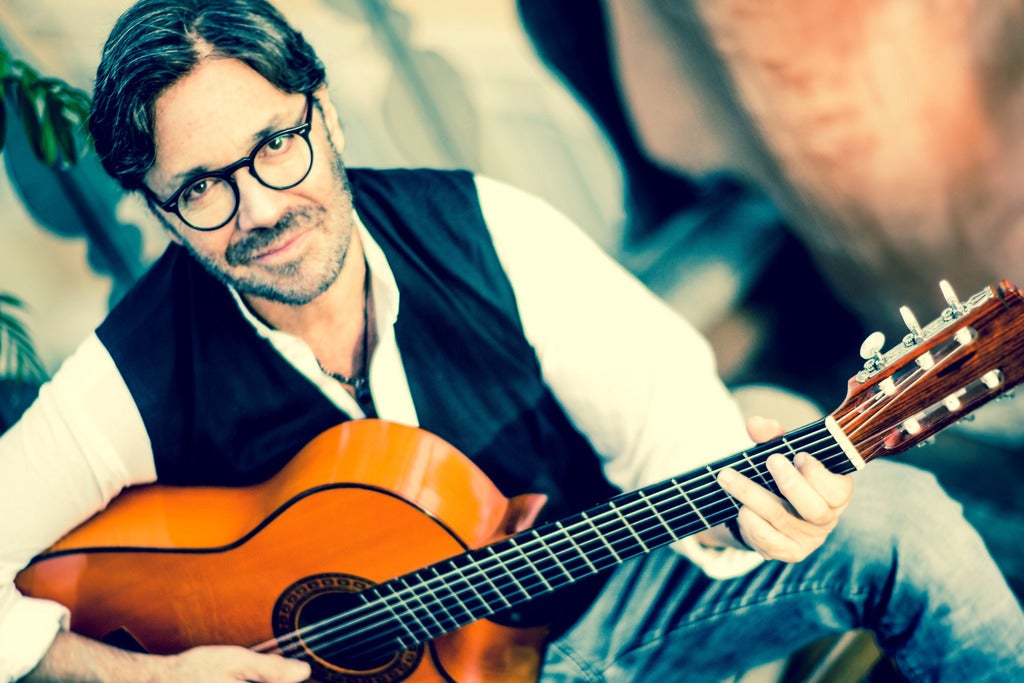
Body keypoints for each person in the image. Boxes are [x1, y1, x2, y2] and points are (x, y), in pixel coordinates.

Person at [0, 1, 1021, 681]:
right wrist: (138, 675)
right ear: (163, 212)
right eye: (201, 188)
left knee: (902, 521)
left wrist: (755, 521)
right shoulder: (131, 374)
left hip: (596, 619)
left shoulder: (491, 232)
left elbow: (677, 440)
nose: (260, 207)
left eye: (275, 144)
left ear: (327, 118)